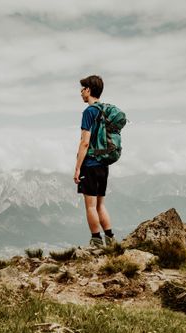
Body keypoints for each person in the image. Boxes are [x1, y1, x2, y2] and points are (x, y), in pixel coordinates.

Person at [74, 75, 115, 248]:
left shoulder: (89, 112)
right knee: (100, 205)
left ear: (89, 90)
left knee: (90, 206)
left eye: (83, 89)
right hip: (103, 165)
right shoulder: (104, 110)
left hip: (90, 165)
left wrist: (77, 168)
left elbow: (85, 142)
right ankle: (111, 240)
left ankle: (96, 241)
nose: (81, 92)